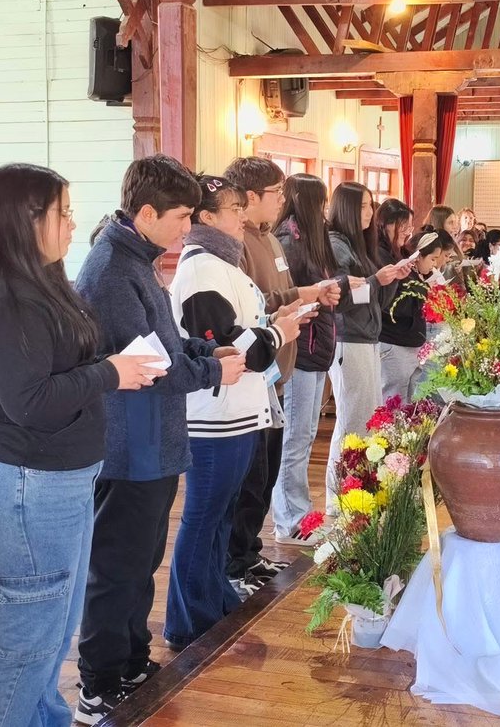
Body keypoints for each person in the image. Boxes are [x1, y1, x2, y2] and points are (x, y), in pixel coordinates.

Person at [0, 163, 166, 727]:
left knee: (50, 638)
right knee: (20, 646)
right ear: (25, 220)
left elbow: (60, 369)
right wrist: (109, 374)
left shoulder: (41, 284)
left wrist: (110, 368)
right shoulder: (3, 300)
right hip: (24, 489)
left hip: (55, 485)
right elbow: (32, 403)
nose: (73, 224)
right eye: (62, 213)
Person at [73, 155, 245, 724]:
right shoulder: (111, 270)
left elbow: (166, 344)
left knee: (143, 559)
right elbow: (148, 365)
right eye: (180, 215)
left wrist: (206, 352)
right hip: (129, 444)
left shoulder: (138, 258)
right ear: (145, 212)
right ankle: (98, 683)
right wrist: (214, 371)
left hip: (155, 438)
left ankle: (130, 662)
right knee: (116, 566)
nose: (187, 226)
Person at [165, 175, 302, 650]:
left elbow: (247, 330)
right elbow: (228, 349)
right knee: (203, 516)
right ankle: (187, 619)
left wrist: (272, 327)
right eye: (232, 209)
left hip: (240, 412)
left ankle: (215, 599)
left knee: (222, 516)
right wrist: (280, 333)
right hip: (213, 417)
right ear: (206, 218)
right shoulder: (201, 270)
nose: (242, 216)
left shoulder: (226, 264)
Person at [221, 157, 340, 598]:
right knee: (250, 475)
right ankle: (235, 560)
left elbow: (275, 295)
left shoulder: (268, 238)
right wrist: (294, 300)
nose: (282, 202)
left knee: (266, 468)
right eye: (275, 194)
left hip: (278, 366)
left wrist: (299, 300)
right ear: (251, 197)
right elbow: (251, 303)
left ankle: (250, 551)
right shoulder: (237, 243)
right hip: (256, 370)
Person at [327, 183, 410, 511]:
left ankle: (356, 489)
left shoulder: (359, 245)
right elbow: (342, 298)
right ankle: (339, 497)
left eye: (370, 205)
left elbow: (375, 298)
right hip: (349, 338)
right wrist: (378, 280)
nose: (369, 212)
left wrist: (393, 279)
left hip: (368, 336)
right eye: (363, 206)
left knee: (365, 417)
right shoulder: (336, 246)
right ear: (346, 208)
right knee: (352, 419)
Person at [271, 175, 341, 544]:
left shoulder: (313, 240)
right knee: (295, 439)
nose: (325, 210)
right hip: (298, 349)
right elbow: (283, 297)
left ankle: (299, 512)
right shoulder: (288, 240)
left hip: (317, 348)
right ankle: (290, 519)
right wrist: (313, 299)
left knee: (306, 435)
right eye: (322, 202)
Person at [379, 231, 455, 402]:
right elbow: (396, 305)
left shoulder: (419, 275)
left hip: (410, 344)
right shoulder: (404, 273)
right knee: (394, 398)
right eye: (432, 259)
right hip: (395, 342)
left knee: (409, 398)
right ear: (418, 256)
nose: (435, 265)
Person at [376, 198, 415, 266]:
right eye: (403, 226)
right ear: (385, 224)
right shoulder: (378, 253)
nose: (407, 233)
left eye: (409, 227)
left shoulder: (403, 252)